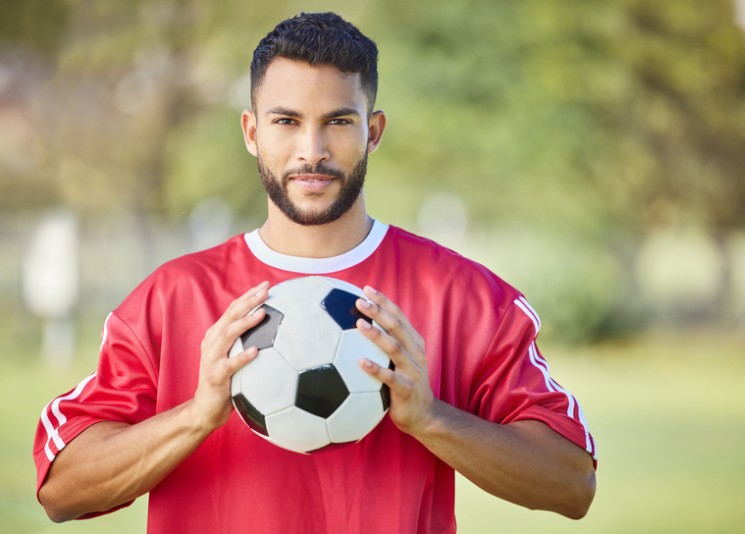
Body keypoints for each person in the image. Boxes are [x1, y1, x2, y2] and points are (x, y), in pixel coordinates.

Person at [34, 12, 597, 533]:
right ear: (252, 132)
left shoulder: (462, 295)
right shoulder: (174, 297)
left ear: (373, 131)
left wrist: (431, 419)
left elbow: (572, 484)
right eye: (286, 121)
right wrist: (196, 416)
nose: (312, 149)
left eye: (338, 121)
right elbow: (61, 491)